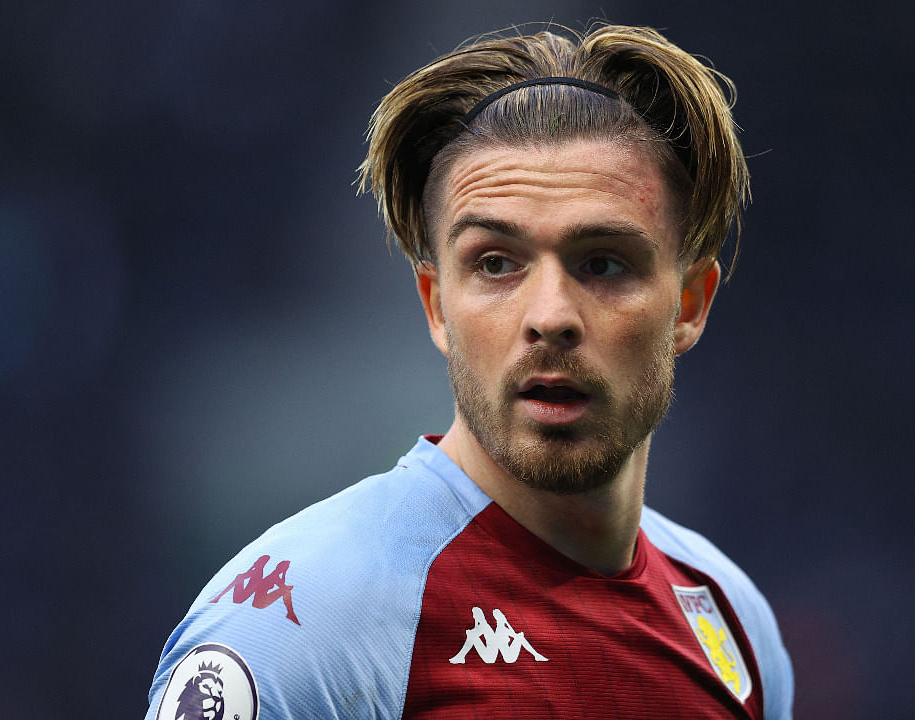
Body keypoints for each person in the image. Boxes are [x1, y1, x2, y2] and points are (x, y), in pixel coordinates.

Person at [144, 23, 794, 720]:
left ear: (690, 305)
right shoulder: (298, 629)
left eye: (603, 262)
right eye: (495, 263)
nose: (550, 315)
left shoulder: (733, 624)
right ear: (437, 307)